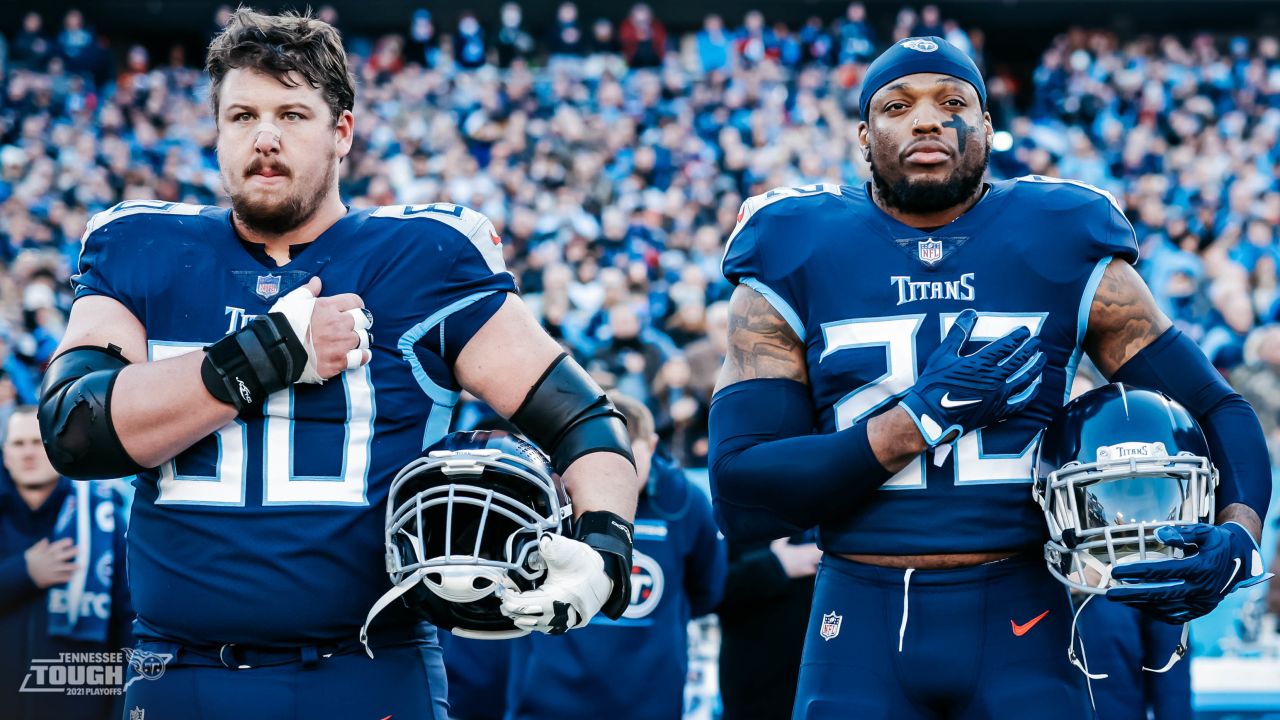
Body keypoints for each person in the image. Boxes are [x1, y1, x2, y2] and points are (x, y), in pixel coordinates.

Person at [37, 9, 640, 720]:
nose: (265, 137)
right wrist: (267, 355)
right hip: (180, 674)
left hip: (366, 673)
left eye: (292, 114)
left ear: (342, 132)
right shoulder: (142, 246)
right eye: (242, 115)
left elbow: (585, 421)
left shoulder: (422, 258)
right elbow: (74, 428)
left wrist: (604, 549)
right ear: (218, 131)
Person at [708, 36, 1272, 719]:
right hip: (857, 615)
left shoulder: (1059, 232)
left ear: (987, 128)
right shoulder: (794, 241)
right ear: (864, 134)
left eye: (952, 102)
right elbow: (741, 493)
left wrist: (1240, 535)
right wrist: (914, 421)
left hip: (1025, 615)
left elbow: (1216, 406)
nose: (925, 119)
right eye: (897, 104)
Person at [505, 392, 726, 719]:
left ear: (651, 446)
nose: (613, 474)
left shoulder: (684, 503)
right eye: (602, 457)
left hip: (649, 698)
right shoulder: (545, 498)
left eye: (627, 458)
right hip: (550, 696)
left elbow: (707, 591)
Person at [0, 407, 133, 720]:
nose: (29, 453)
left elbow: (129, 622)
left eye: (38, 443)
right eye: (18, 444)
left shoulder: (103, 518)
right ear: (5, 455)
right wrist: (24, 573)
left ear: (58, 451)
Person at [717, 532, 821, 720]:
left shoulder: (828, 527)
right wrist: (776, 564)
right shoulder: (743, 520)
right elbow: (712, 590)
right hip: (749, 696)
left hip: (813, 692)